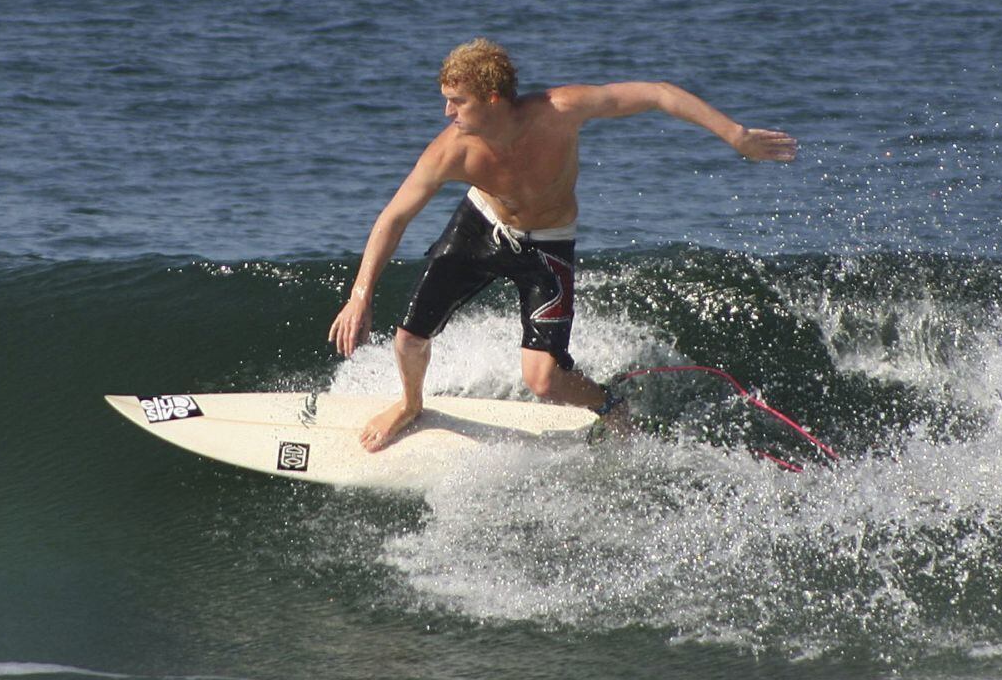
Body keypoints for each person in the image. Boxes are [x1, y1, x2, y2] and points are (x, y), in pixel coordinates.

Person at [328, 38, 798, 451]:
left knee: (544, 380)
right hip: (482, 225)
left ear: (493, 99)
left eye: (457, 102)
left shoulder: (560, 111)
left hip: (548, 244)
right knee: (409, 339)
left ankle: (610, 404)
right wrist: (360, 295)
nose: (447, 113)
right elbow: (394, 217)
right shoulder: (451, 151)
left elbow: (657, 93)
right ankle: (411, 404)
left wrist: (736, 136)